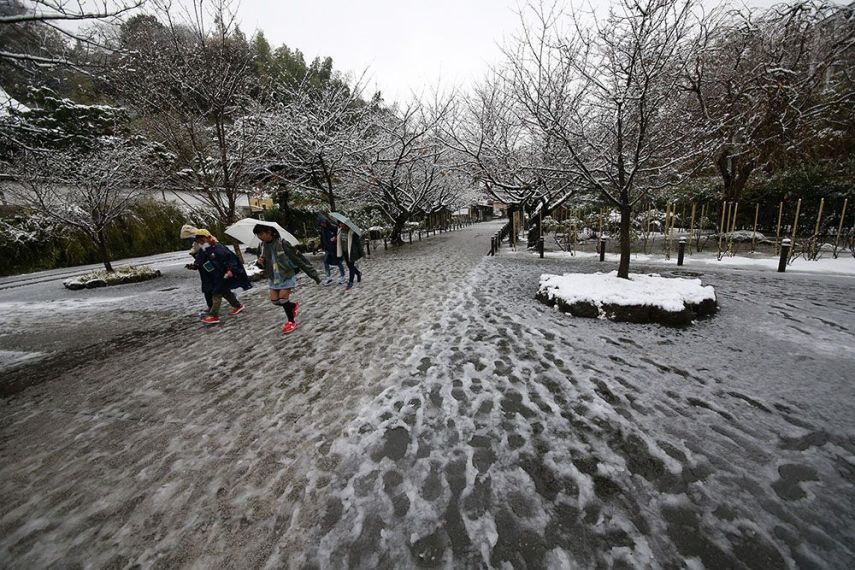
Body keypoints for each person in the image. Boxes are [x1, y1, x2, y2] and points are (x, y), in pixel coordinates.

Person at [253, 223, 321, 334]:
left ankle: (291, 322)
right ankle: (293, 306)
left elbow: (299, 260)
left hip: (286, 275)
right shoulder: (261, 246)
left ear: (269, 232)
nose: (259, 236)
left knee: (283, 299)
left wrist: (314, 275)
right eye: (257, 235)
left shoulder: (283, 243)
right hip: (273, 276)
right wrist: (260, 262)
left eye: (261, 233)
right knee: (275, 301)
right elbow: (262, 264)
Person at [190, 229, 252, 325]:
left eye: (201, 239)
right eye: (198, 240)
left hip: (222, 275)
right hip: (212, 277)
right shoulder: (204, 249)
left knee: (216, 293)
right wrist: (195, 265)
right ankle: (238, 306)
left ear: (207, 238)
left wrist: (230, 270)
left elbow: (230, 259)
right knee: (225, 292)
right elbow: (200, 261)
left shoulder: (218, 247)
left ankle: (213, 315)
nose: (199, 242)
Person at [180, 224, 213, 316]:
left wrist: (197, 262)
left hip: (208, 266)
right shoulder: (199, 240)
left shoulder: (203, 240)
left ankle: (212, 307)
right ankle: (213, 304)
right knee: (209, 285)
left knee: (209, 286)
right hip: (204, 266)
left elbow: (205, 254)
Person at [317, 214, 347, 286]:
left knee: (339, 262)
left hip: (335, 248)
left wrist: (335, 238)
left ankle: (343, 277)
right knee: (325, 262)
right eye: (321, 223)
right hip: (328, 249)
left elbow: (341, 235)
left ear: (326, 221)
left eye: (324, 222)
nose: (323, 224)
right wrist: (322, 246)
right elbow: (322, 238)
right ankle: (328, 277)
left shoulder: (333, 227)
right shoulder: (322, 229)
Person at [337, 220, 364, 291]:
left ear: (346, 224)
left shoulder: (352, 232)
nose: (340, 225)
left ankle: (350, 282)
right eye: (340, 223)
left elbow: (358, 243)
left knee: (351, 266)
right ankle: (358, 273)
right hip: (345, 251)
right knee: (349, 266)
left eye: (342, 223)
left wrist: (361, 252)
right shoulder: (340, 230)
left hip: (352, 252)